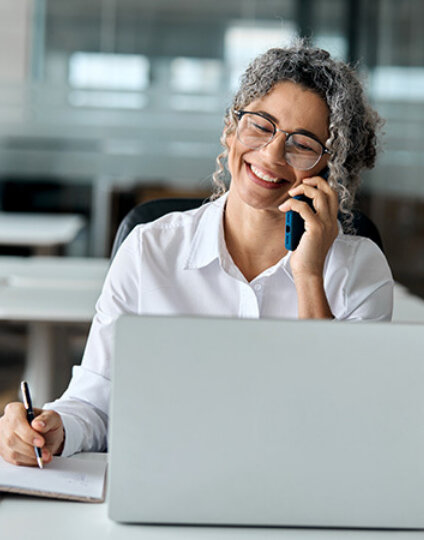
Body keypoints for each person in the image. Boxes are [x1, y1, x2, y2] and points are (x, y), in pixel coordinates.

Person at [0, 41, 393, 466]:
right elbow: (96, 403)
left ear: (329, 169)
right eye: (261, 125)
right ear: (231, 129)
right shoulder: (152, 248)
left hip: (299, 488)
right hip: (167, 483)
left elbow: (346, 422)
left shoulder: (359, 269)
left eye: (302, 144)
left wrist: (310, 277)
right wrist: (54, 427)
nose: (272, 154)